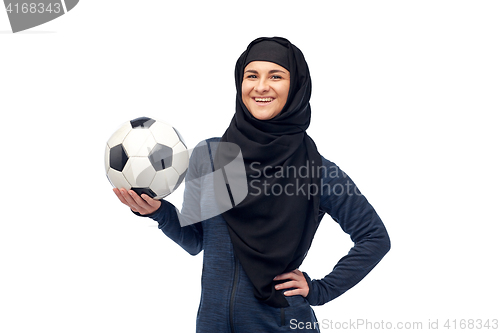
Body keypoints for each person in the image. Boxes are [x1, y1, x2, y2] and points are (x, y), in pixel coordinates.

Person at [113, 37, 390, 332]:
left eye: (276, 76)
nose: (260, 87)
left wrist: (320, 289)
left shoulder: (317, 172)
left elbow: (374, 238)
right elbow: (196, 241)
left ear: (295, 87)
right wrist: (158, 212)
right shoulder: (210, 156)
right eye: (252, 75)